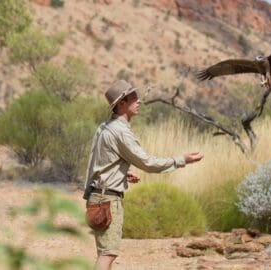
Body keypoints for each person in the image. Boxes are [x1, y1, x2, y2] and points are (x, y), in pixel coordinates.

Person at [83, 79, 203, 270]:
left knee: (104, 252)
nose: (139, 102)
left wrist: (123, 173)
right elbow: (147, 163)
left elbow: (97, 162)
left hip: (98, 196)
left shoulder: (105, 127)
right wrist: (181, 160)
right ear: (121, 104)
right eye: (134, 98)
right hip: (107, 199)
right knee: (108, 254)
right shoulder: (121, 131)